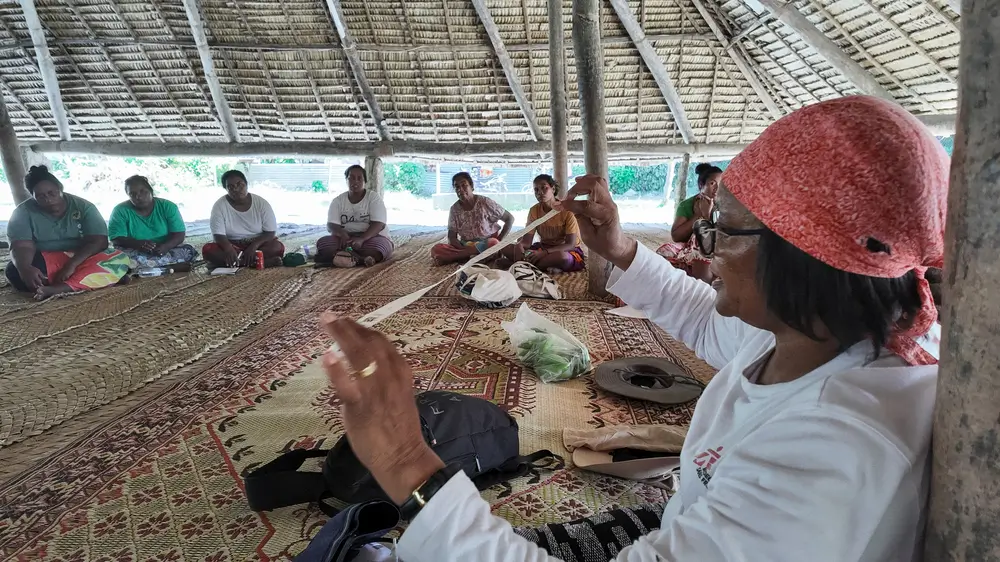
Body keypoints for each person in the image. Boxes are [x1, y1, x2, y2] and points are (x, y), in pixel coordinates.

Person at [317, 96, 947, 561]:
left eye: (721, 229)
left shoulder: (834, 447)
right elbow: (702, 317)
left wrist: (404, 459)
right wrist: (618, 248)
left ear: (804, 251)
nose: (704, 251)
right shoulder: (829, 335)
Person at [5, 166, 130, 300]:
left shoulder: (84, 207)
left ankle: (58, 288)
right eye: (40, 196)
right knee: (14, 271)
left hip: (83, 257)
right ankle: (96, 279)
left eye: (52, 193)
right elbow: (21, 246)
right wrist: (25, 268)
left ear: (60, 188)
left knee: (119, 259)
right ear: (33, 197)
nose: (48, 199)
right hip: (48, 260)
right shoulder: (22, 212)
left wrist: (72, 265)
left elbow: (99, 242)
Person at [108, 175, 198, 271]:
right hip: (135, 249)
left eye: (142, 191)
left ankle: (143, 269)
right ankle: (168, 267)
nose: (139, 196)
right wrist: (139, 244)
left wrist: (166, 246)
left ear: (151, 191)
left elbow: (179, 235)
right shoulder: (120, 211)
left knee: (187, 251)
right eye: (132, 194)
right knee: (117, 258)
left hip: (164, 248)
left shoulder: (168, 206)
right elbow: (116, 239)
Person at [497, 174, 584, 273]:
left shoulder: (566, 211)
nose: (540, 192)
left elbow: (570, 245)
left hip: (564, 250)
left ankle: (519, 265)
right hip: (542, 248)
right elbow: (527, 242)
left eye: (544, 188)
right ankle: (532, 265)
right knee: (505, 247)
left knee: (562, 257)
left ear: (553, 189)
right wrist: (520, 245)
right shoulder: (534, 210)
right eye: (536, 190)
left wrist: (545, 252)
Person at [315, 165, 393, 268]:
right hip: (345, 239)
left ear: (365, 181)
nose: (355, 181)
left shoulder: (373, 198)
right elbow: (331, 225)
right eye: (351, 178)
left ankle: (342, 257)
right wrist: (343, 235)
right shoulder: (338, 201)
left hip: (371, 238)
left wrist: (362, 239)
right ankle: (361, 259)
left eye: (359, 178)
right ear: (346, 180)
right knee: (323, 244)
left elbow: (379, 224)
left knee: (379, 249)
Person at [202, 170, 285, 268]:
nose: (236, 189)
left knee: (277, 247)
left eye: (240, 184)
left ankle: (236, 263)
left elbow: (270, 233)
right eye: (231, 187)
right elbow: (218, 235)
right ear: (226, 189)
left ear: (246, 184)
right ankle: (256, 262)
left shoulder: (261, 203)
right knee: (208, 250)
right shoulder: (219, 206)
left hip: (258, 245)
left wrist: (253, 247)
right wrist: (228, 249)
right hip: (232, 245)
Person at [656, 163, 722, 283]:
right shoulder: (688, 205)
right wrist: (697, 216)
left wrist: (706, 215)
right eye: (712, 183)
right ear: (701, 185)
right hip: (689, 249)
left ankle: (703, 280)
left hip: (718, 248)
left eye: (721, 184)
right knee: (665, 251)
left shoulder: (726, 204)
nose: (717, 189)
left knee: (702, 236)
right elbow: (676, 236)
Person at [430, 172, 515, 265]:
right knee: (436, 249)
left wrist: (500, 241)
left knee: (493, 243)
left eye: (464, 185)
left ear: (472, 186)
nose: (460, 189)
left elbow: (509, 218)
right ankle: (474, 256)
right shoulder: (454, 209)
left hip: (486, 243)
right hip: (466, 245)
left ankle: (463, 257)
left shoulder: (485, 202)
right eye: (457, 187)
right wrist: (463, 249)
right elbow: (451, 237)